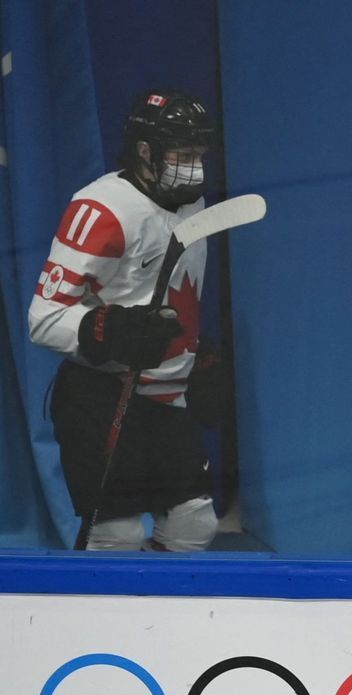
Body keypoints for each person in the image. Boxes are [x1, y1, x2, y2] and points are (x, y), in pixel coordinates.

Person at [27, 90, 220, 551]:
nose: (194, 166)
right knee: (116, 535)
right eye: (183, 154)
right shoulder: (102, 210)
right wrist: (109, 330)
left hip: (163, 399)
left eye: (199, 154)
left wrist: (196, 355)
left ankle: (161, 619)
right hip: (101, 396)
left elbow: (173, 299)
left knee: (195, 526)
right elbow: (43, 317)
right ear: (145, 151)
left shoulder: (194, 205)